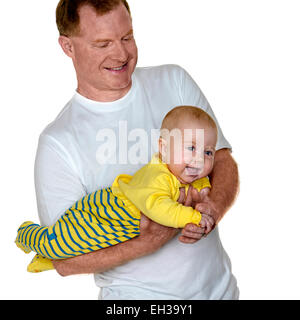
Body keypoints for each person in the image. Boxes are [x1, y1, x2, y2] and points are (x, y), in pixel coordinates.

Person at [33, 0, 239, 299]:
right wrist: (149, 241)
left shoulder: (174, 82)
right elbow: (63, 259)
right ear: (68, 46)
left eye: (127, 37)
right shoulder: (58, 142)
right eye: (102, 44)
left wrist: (212, 210)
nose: (121, 54)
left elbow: (222, 158)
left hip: (221, 293)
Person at [16, 106, 216, 273]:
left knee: (87, 249)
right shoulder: (158, 176)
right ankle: (27, 234)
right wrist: (193, 217)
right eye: (191, 148)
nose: (200, 160)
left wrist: (203, 186)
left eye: (208, 152)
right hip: (105, 213)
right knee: (60, 243)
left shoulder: (183, 172)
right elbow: (159, 208)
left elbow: (198, 180)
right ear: (164, 149)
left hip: (121, 230)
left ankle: (48, 260)